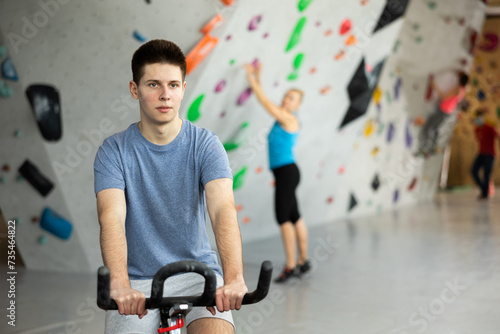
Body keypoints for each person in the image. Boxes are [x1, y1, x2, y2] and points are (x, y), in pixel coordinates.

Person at [94, 39, 247, 334]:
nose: (165, 95)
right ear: (134, 89)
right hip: (137, 282)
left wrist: (234, 277)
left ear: (183, 89)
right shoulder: (114, 151)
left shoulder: (206, 145)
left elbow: (222, 210)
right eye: (153, 85)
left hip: (198, 274)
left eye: (174, 85)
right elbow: (111, 217)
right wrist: (120, 284)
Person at [244, 62, 310, 283]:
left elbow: (263, 101)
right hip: (287, 172)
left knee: (283, 218)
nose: (286, 99)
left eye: (292, 98)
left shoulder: (288, 118)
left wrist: (250, 78)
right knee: (294, 216)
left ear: (298, 104)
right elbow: (269, 101)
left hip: (287, 173)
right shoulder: (285, 116)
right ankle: (303, 260)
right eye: (286, 96)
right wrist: (258, 76)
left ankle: (291, 265)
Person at [418, 71, 469, 157]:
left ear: (460, 79)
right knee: (434, 128)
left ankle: (424, 148)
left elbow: (444, 96)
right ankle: (430, 149)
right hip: (447, 111)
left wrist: (434, 86)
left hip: (444, 110)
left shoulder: (458, 89)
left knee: (429, 127)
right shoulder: (463, 90)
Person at [471, 109, 499, 200]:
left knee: (486, 174)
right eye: (477, 118)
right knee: (474, 171)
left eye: (480, 117)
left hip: (490, 154)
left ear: (483, 118)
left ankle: (485, 193)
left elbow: (498, 137)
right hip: (481, 153)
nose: (478, 119)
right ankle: (484, 189)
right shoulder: (476, 129)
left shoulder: (490, 128)